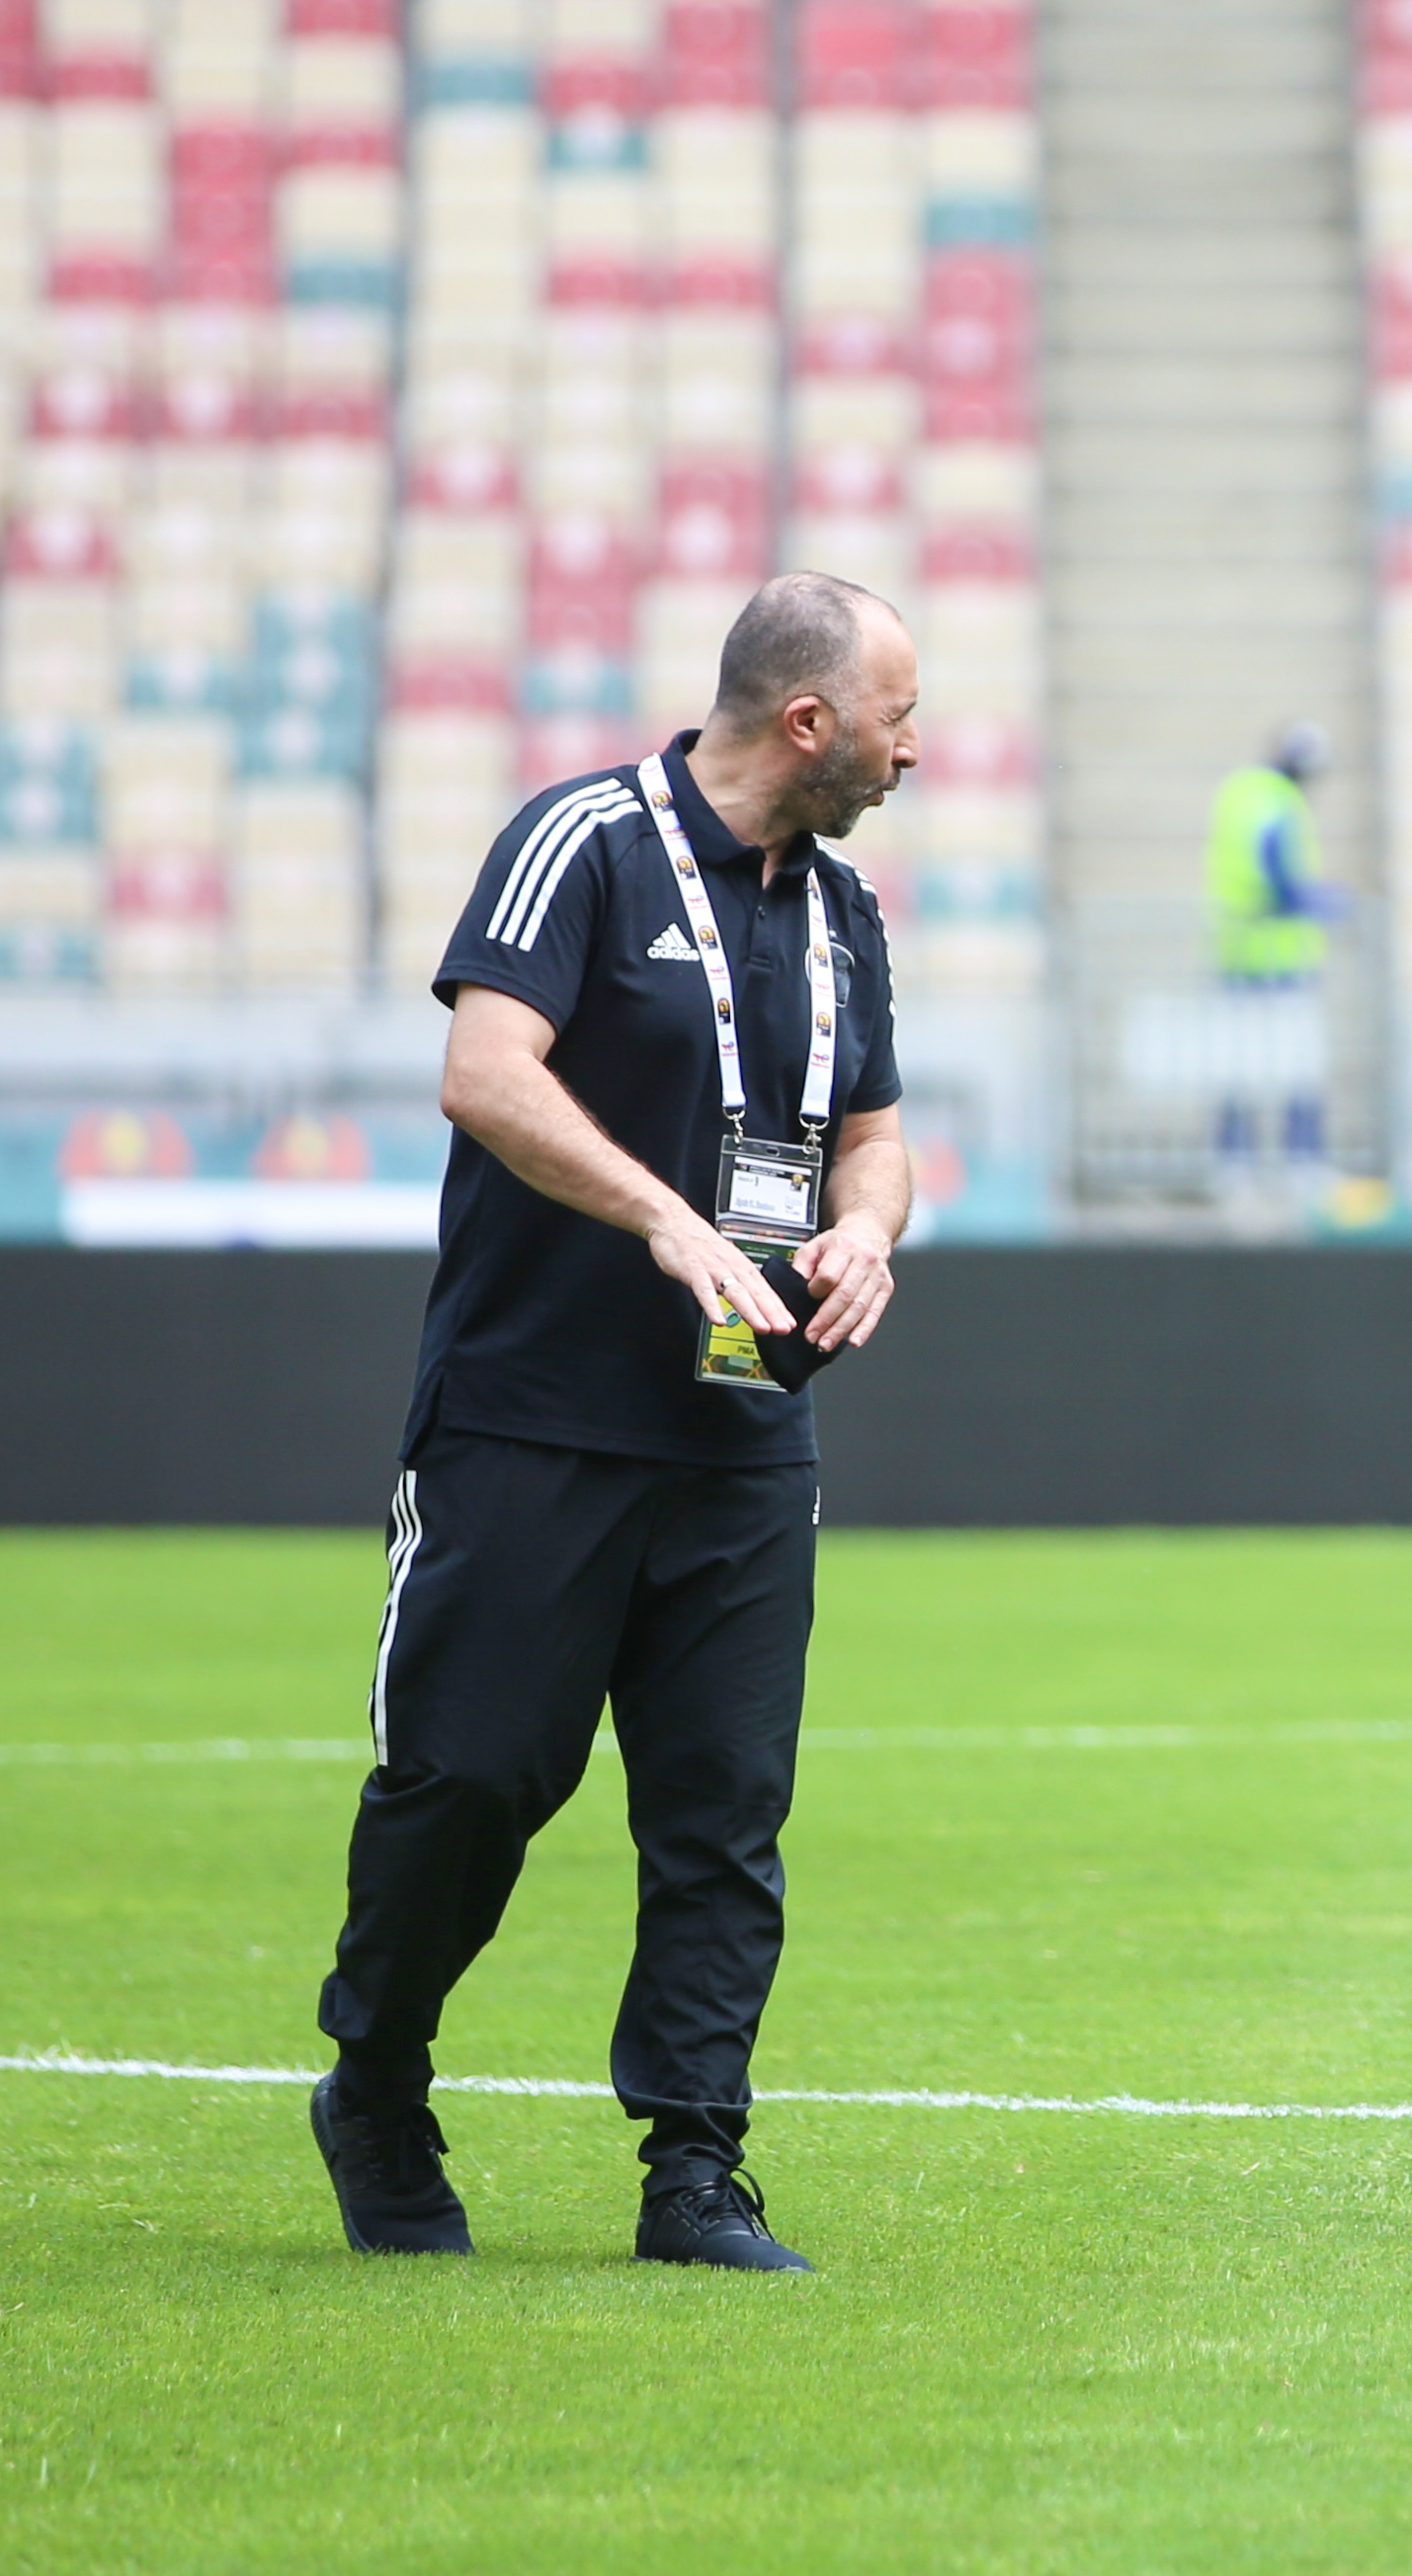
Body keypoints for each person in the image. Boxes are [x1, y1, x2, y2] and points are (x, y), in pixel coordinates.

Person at [307, 570, 920, 2272]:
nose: (913, 747)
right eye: (898, 715)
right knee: (471, 1776)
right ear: (810, 720)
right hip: (531, 1417)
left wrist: (868, 1222)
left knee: (724, 1811)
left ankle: (695, 2163)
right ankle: (374, 2075)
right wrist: (664, 1217)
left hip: (740, 1430)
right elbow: (486, 1072)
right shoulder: (577, 839)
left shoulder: (846, 906)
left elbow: (875, 1130)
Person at [1206, 722, 1340, 1160]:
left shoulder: (1238, 791)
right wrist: (1321, 903)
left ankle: (1235, 1162)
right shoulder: (1278, 801)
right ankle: (1302, 1163)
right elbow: (1279, 875)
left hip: (1235, 955)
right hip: (1280, 961)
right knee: (1298, 1071)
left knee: (1236, 1072)